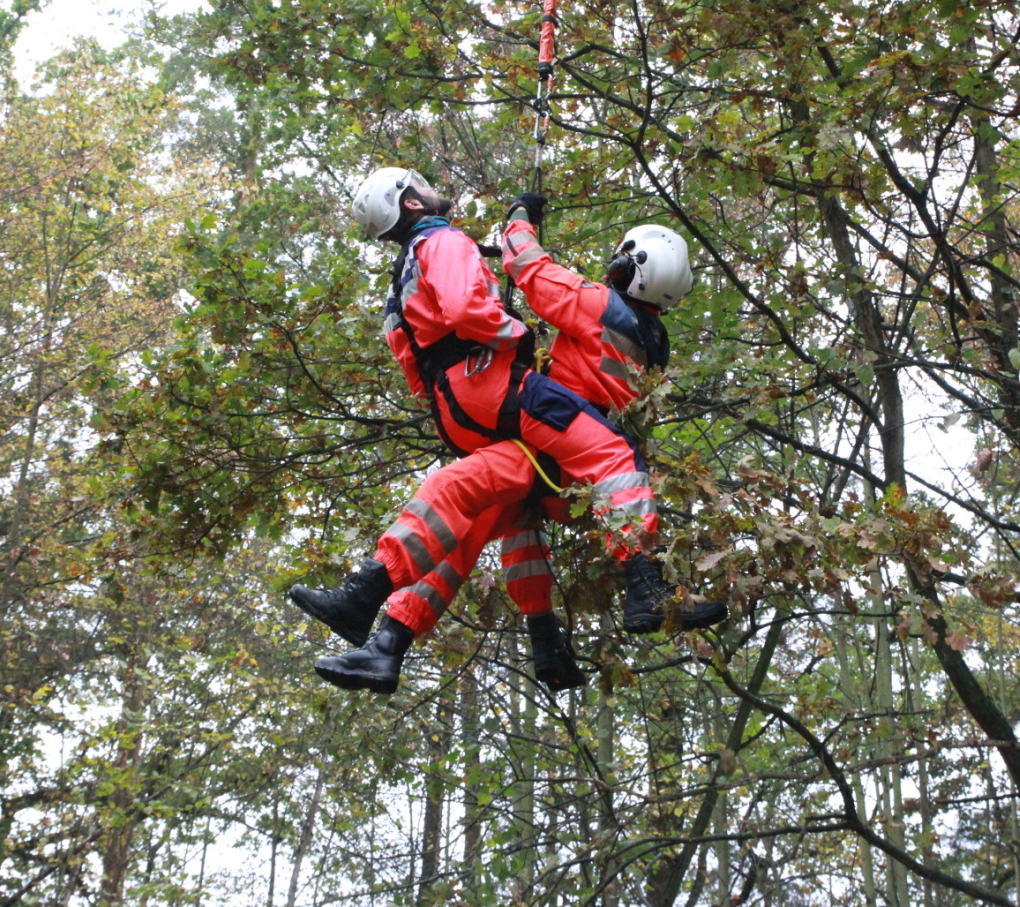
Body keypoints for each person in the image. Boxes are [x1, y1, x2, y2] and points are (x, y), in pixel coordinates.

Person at [290, 169, 723, 693]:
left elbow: (530, 268)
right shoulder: (652, 343)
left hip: (556, 435)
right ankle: (395, 646)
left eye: (622, 261)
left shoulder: (597, 304)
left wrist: (521, 218)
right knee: (469, 515)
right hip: (556, 459)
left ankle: (640, 585)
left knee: (475, 491)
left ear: (635, 270)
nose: (612, 268)